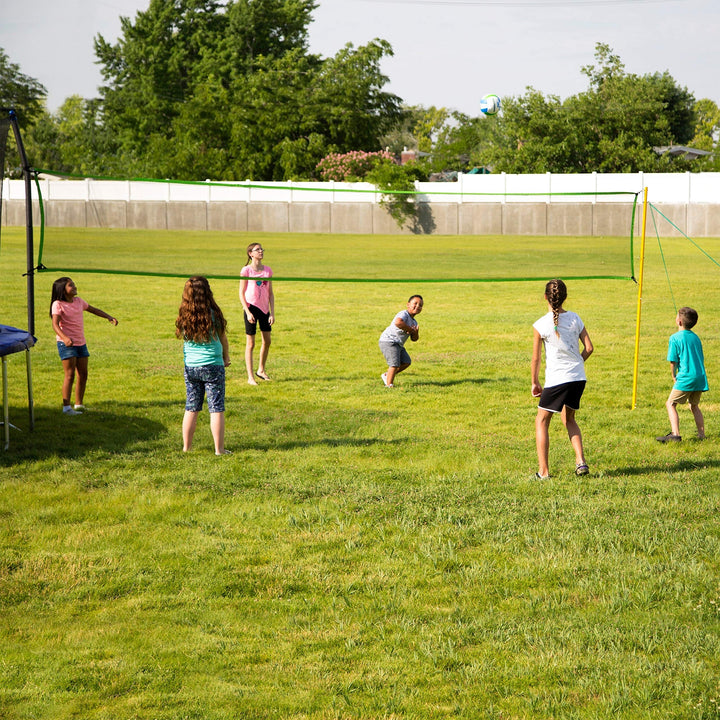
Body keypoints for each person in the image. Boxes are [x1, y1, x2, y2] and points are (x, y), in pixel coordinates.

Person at [531, 279, 593, 478]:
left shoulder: (540, 324)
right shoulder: (575, 318)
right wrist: (578, 363)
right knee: (569, 419)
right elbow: (589, 348)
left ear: (545, 297)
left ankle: (544, 472)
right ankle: (581, 462)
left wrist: (535, 382)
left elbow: (536, 357)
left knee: (541, 421)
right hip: (578, 378)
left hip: (558, 379)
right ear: (564, 297)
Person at [176, 276, 232, 455]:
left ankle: (186, 448)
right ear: (207, 292)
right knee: (216, 407)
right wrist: (226, 357)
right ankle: (219, 450)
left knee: (191, 406)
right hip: (213, 366)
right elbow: (223, 338)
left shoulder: (184, 314)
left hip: (191, 366)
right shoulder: (213, 313)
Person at [50, 276, 118, 415]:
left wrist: (109, 317)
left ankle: (79, 404)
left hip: (81, 342)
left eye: (74, 284)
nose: (74, 287)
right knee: (69, 375)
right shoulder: (58, 304)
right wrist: (65, 338)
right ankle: (66, 407)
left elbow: (93, 309)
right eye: (71, 286)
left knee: (83, 373)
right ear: (63, 290)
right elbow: (55, 325)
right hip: (66, 344)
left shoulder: (78, 301)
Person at [656, 306, 708, 442]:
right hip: (700, 376)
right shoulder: (696, 338)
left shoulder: (674, 338)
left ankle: (675, 434)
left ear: (679, 322)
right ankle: (702, 435)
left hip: (686, 377)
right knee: (694, 405)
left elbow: (673, 361)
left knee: (670, 403)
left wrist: (673, 375)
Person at [239, 242, 274, 385]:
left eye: (261, 249)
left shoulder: (268, 271)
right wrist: (247, 312)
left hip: (264, 309)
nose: (261, 251)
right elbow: (241, 293)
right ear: (250, 254)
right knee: (251, 343)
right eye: (257, 250)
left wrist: (272, 313)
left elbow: (270, 293)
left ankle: (261, 370)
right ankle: (250, 377)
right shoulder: (246, 270)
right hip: (251, 308)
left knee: (267, 341)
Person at [378, 295, 423, 388]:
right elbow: (398, 322)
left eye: (420, 305)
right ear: (408, 304)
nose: (418, 306)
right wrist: (409, 329)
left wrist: (415, 333)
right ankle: (389, 385)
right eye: (415, 303)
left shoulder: (414, 322)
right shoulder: (404, 314)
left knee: (406, 362)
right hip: (389, 341)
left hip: (398, 343)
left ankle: (387, 375)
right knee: (394, 364)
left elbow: (414, 339)